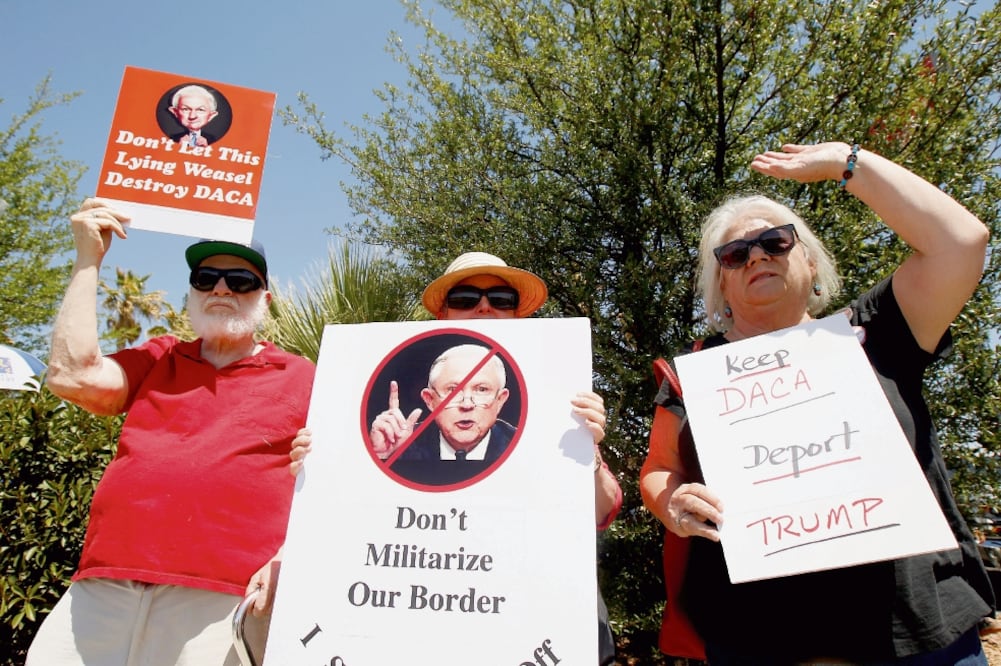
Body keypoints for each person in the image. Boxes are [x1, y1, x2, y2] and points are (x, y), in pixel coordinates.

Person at [640, 142, 996, 664]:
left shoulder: (879, 330)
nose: (757, 255)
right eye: (736, 254)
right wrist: (671, 503)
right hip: (758, 637)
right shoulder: (693, 372)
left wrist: (847, 163)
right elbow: (660, 468)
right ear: (722, 284)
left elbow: (962, 242)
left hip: (914, 633)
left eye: (775, 242)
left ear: (808, 257)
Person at [291, 251, 622, 664]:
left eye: (501, 298)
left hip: (538, 626)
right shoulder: (392, 441)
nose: (484, 307)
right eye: (466, 297)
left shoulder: (559, 408)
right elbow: (335, 534)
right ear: (444, 314)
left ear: (501, 399)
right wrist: (356, 464)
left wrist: (583, 455)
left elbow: (601, 509)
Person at [27, 198, 315, 666]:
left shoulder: (304, 376)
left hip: (221, 598)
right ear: (192, 292)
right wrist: (87, 260)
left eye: (240, 280)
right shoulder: (159, 357)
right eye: (206, 279)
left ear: (265, 298)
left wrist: (283, 559)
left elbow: (332, 481)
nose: (221, 288)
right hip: (103, 588)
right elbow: (72, 377)